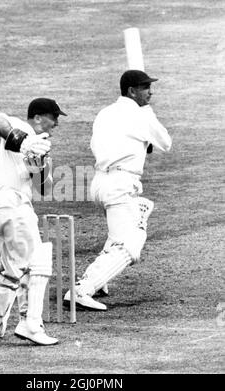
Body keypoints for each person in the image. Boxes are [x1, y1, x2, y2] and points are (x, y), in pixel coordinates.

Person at [64, 70, 172, 311]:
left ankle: (100, 279)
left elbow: (103, 142)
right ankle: (83, 289)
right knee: (130, 244)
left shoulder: (106, 112)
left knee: (119, 232)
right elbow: (165, 142)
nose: (150, 92)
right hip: (121, 184)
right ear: (131, 91)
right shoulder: (141, 115)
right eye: (145, 88)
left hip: (100, 183)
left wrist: (142, 144)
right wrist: (148, 114)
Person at [0, 97, 67, 345]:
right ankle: (31, 324)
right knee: (38, 260)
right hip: (11, 204)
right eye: (54, 117)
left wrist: (39, 165)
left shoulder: (42, 148)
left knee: (12, 266)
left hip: (1, 208)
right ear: (38, 117)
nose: (56, 124)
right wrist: (23, 141)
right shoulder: (21, 127)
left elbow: (45, 189)